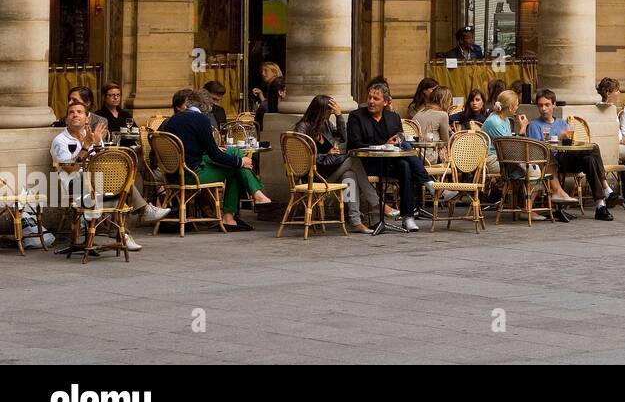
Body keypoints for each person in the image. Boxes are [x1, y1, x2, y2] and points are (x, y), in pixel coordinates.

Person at [51, 100, 168, 250]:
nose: (75, 115)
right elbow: (70, 169)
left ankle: (125, 234)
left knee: (120, 186)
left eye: (79, 112)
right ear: (66, 118)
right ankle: (139, 216)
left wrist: (98, 142)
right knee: (120, 187)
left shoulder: (90, 136)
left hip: (96, 183)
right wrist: (86, 146)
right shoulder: (60, 141)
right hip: (76, 186)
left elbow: (101, 160)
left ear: (87, 118)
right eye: (71, 112)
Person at [160, 89, 273, 230]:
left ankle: (249, 201)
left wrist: (230, 156)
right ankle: (238, 209)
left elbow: (191, 147)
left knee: (233, 152)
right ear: (206, 106)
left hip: (173, 174)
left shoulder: (172, 120)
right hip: (192, 175)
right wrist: (241, 161)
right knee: (236, 166)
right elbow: (215, 155)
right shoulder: (201, 119)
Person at [346, 82, 440, 232]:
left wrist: (398, 140)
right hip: (367, 163)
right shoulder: (356, 116)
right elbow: (355, 143)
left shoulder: (393, 117)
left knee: (405, 166)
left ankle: (408, 217)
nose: (371, 101)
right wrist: (384, 144)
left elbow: (400, 137)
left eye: (376, 99)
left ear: (385, 102)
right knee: (406, 163)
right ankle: (428, 183)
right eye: (369, 97)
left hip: (389, 162)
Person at [526, 89, 620, 221]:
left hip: (566, 157)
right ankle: (604, 194)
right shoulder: (534, 125)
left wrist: (568, 140)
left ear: (554, 105)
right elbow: (538, 150)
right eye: (540, 105)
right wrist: (558, 137)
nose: (543, 108)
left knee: (590, 157)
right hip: (550, 162)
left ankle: (600, 204)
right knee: (592, 153)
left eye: (547, 105)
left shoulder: (562, 123)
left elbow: (569, 144)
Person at [292, 95, 380, 232]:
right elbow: (302, 156)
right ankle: (376, 203)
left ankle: (355, 221)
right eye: (330, 111)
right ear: (321, 111)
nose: (330, 114)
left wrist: (339, 116)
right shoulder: (303, 127)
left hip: (328, 169)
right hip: (313, 174)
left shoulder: (325, 124)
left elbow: (343, 137)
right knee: (353, 160)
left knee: (350, 175)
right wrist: (326, 154)